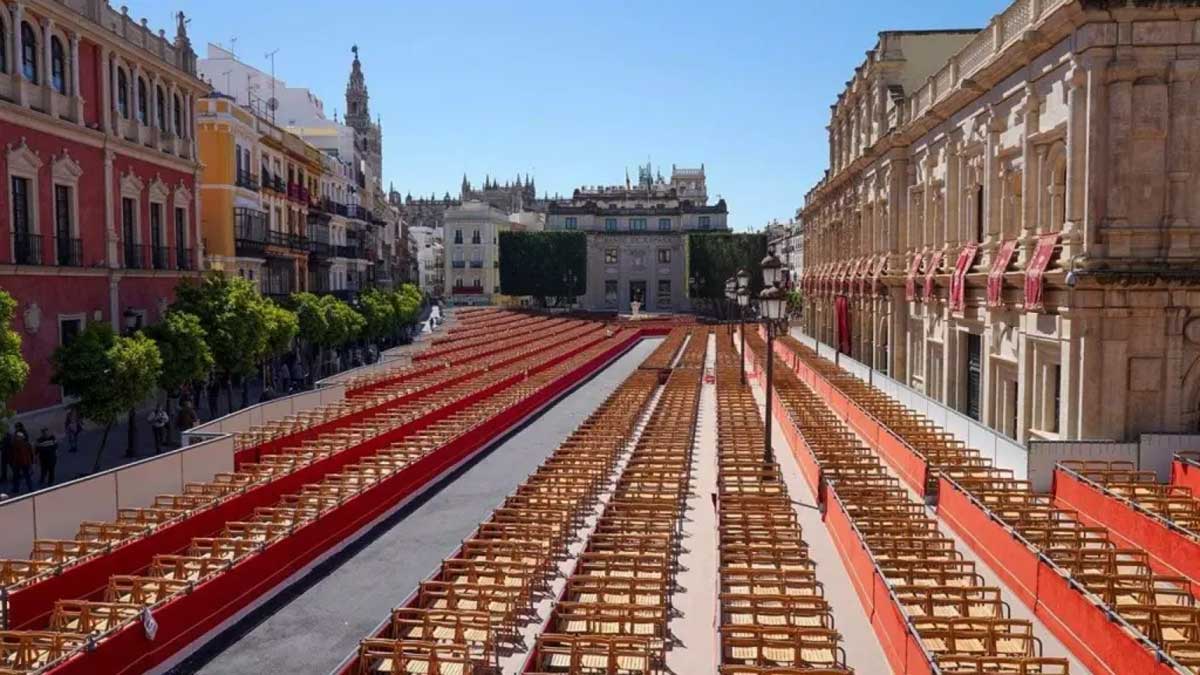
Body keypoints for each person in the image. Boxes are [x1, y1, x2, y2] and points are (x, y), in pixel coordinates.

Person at [9, 424, 33, 494]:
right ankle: (30, 488)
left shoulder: (16, 444)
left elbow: (14, 453)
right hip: (24, 462)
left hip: (18, 462)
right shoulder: (26, 443)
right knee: (26, 476)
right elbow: (31, 454)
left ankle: (16, 489)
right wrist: (31, 462)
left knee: (17, 477)